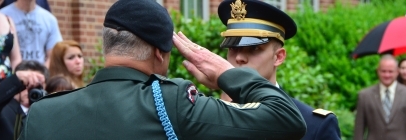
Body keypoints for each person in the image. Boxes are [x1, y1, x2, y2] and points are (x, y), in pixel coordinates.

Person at [18, 0, 307, 139]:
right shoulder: (173, 103)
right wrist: (223, 72)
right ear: (160, 52)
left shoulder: (43, 113)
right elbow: (286, 119)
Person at [217, 0, 340, 139]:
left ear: (278, 57)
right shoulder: (211, 116)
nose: (239, 57)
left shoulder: (314, 125)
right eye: (233, 48)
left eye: (254, 48)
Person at [354, 54, 406, 140]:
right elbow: (359, 129)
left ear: (397, 72)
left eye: (390, 71)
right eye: (383, 71)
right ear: (378, 71)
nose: (387, 75)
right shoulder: (365, 96)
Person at [0, 60, 48, 140]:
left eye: (37, 86)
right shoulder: (2, 110)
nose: (30, 90)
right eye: (27, 83)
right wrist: (16, 80)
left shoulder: (49, 113)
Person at [0, 0, 63, 67]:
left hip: (41, 73)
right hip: (11, 73)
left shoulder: (50, 19)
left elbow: (53, 55)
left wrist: (41, 73)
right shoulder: (2, 16)